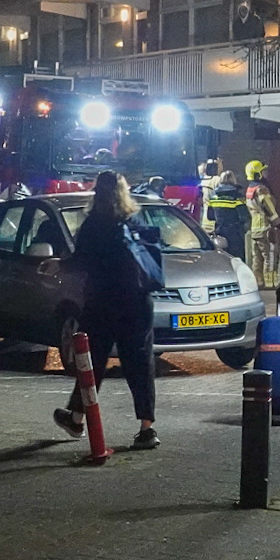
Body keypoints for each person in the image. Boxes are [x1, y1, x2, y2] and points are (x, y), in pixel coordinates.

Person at [55, 171, 160, 450]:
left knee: (91, 362)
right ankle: (146, 428)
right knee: (140, 363)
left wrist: (57, 264)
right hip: (137, 304)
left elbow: (81, 261)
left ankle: (76, 418)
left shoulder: (92, 225)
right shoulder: (135, 221)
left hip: (101, 303)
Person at [245, 160, 280, 288]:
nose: (265, 173)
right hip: (266, 228)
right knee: (270, 257)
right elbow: (269, 208)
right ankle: (270, 282)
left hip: (255, 228)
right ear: (257, 174)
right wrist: (278, 224)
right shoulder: (261, 189)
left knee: (257, 258)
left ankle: (258, 281)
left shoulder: (250, 189)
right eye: (262, 171)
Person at [205, 172, 250, 261]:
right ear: (233, 180)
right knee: (237, 259)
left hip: (219, 232)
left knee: (222, 259)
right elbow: (244, 216)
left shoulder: (213, 196)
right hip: (235, 233)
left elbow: (210, 216)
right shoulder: (237, 196)